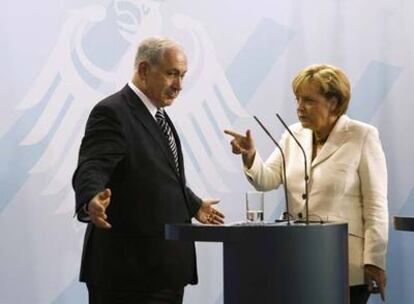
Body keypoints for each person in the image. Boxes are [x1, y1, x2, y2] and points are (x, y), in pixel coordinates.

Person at [73, 37, 225, 304]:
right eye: (171, 74)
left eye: (182, 76)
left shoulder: (159, 116)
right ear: (144, 70)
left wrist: (193, 205)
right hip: (127, 275)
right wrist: (91, 198)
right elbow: (92, 164)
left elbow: (155, 175)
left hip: (164, 272)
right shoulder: (112, 112)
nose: (179, 86)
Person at [225, 64, 388, 304]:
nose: (300, 108)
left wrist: (374, 260)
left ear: (333, 102)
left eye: (309, 100)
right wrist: (250, 156)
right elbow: (266, 179)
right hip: (298, 258)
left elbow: (376, 205)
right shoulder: (294, 135)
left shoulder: (361, 135)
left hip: (344, 262)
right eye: (297, 100)